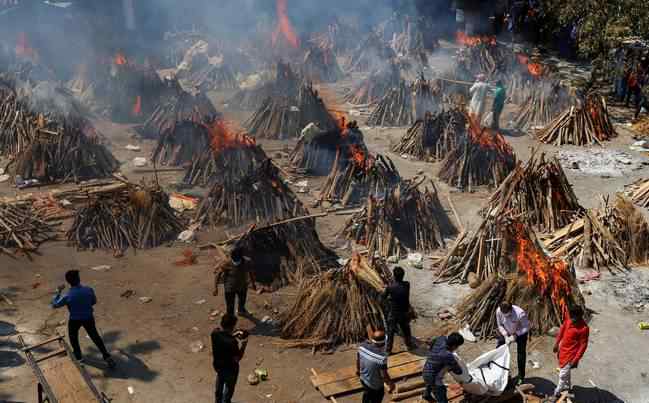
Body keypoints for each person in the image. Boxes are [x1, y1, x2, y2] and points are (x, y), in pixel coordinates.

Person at [51, 270, 115, 368]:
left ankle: (78, 356)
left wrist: (58, 291)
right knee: (95, 336)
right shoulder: (88, 289)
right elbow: (94, 301)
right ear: (79, 279)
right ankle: (106, 356)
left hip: (75, 319)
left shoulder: (67, 296)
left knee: (73, 337)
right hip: (88, 317)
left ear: (68, 282)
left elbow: (55, 305)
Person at [552, 305, 589, 400]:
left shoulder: (584, 329)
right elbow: (562, 331)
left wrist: (575, 360)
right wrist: (556, 344)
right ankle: (568, 388)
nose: (572, 320)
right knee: (565, 373)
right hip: (562, 351)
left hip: (570, 356)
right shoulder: (569, 319)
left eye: (574, 318)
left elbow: (583, 346)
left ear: (580, 316)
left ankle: (556, 393)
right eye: (571, 317)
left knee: (562, 375)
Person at [211, 314, 248, 403]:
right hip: (230, 369)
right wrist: (243, 345)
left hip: (219, 367)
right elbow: (237, 358)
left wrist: (232, 335)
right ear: (232, 326)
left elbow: (221, 334)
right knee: (228, 391)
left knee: (219, 389)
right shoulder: (232, 342)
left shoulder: (214, 334)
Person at [422, 333, 464, 403]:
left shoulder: (441, 338)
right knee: (441, 392)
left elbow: (431, 344)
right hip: (433, 377)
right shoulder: (448, 355)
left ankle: (426, 395)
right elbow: (458, 371)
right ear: (454, 346)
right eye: (457, 346)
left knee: (429, 384)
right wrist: (453, 364)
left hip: (426, 369)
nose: (457, 348)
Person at [214, 246, 256, 316]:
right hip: (230, 288)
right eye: (233, 259)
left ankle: (241, 311)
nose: (235, 262)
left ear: (241, 256)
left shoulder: (247, 262)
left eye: (237, 259)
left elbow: (250, 272)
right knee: (230, 307)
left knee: (242, 301)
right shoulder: (227, 263)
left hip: (242, 286)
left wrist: (253, 283)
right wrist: (215, 288)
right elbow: (217, 275)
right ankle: (230, 322)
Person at [357, 325, 394, 403]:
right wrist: (391, 384)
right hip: (375, 385)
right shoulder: (382, 358)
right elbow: (383, 375)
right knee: (377, 398)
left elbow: (358, 361)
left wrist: (358, 371)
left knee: (367, 394)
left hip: (363, 379)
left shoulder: (362, 347)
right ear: (384, 343)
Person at [495, 302, 529, 383]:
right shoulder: (499, 311)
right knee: (499, 351)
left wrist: (516, 335)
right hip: (506, 331)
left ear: (511, 310)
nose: (505, 316)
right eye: (504, 313)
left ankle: (521, 376)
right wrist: (505, 335)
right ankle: (499, 372)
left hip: (520, 333)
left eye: (507, 314)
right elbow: (499, 325)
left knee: (521, 354)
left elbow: (526, 327)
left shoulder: (520, 313)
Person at [383, 266, 415, 354]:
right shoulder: (407, 284)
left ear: (394, 276)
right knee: (406, 329)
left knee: (390, 332)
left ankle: (388, 350)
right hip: (404, 312)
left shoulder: (390, 287)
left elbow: (383, 297)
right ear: (403, 275)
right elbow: (400, 291)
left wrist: (388, 295)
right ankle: (409, 345)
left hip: (394, 313)